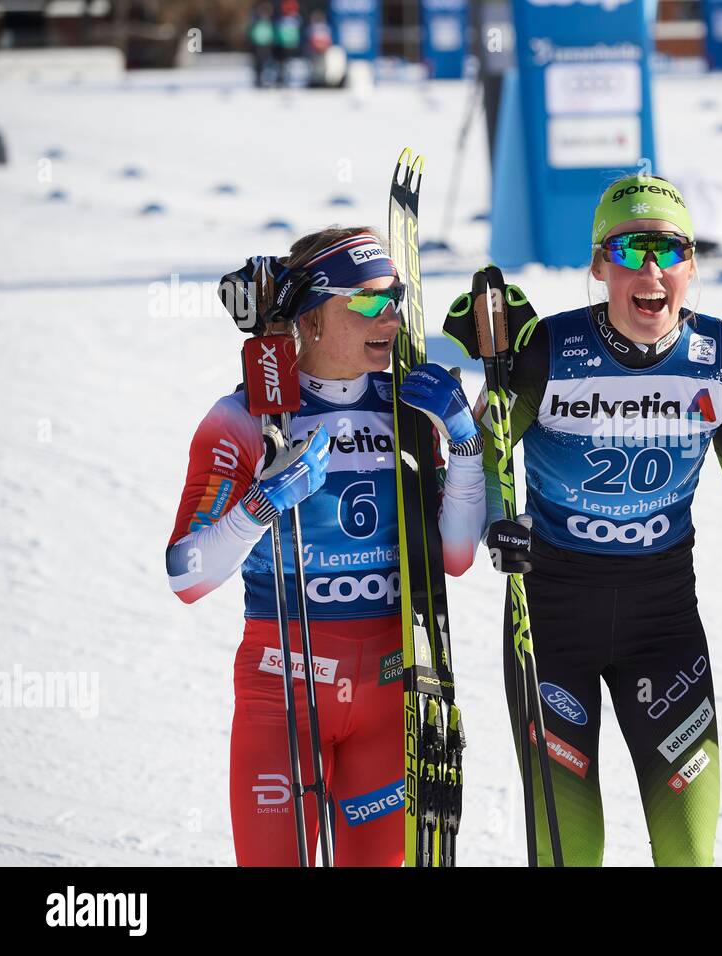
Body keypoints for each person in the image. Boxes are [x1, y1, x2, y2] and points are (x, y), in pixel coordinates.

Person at [477, 176, 722, 866]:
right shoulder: (545, 352)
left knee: (688, 851)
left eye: (669, 250)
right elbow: (486, 456)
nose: (650, 270)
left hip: (664, 622)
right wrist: (499, 520)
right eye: (628, 250)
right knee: (569, 849)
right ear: (598, 267)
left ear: (690, 267)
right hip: (551, 617)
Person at [166, 226, 485, 865]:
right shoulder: (247, 417)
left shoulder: (411, 409)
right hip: (282, 693)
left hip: (390, 694)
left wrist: (464, 443)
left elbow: (456, 556)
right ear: (311, 319)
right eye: (369, 302)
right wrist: (262, 504)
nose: (391, 318)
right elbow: (186, 575)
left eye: (396, 299)